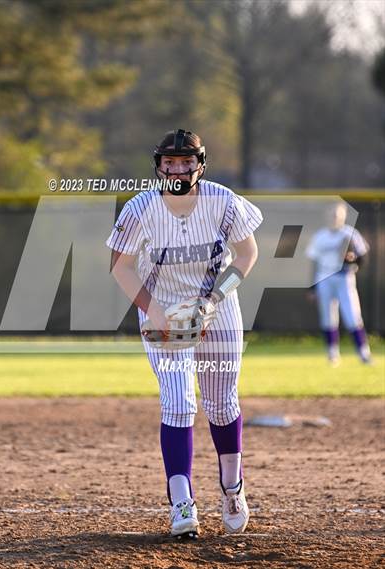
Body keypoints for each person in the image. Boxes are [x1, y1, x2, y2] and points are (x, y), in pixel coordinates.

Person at [106, 129, 263, 538]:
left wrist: (212, 301)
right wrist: (156, 312)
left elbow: (247, 254)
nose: (178, 169)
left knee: (221, 403)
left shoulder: (223, 201)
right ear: (158, 165)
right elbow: (121, 266)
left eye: (186, 161)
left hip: (217, 308)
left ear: (200, 164)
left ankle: (232, 487)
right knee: (178, 404)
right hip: (163, 309)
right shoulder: (141, 207)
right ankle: (182, 501)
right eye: (170, 162)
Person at [306, 202, 371, 366]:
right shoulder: (320, 236)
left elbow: (362, 258)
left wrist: (353, 260)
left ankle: (364, 353)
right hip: (324, 277)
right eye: (332, 213)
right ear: (327, 215)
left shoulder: (350, 233)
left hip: (344, 277)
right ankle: (332, 354)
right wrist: (312, 287)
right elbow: (313, 263)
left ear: (344, 215)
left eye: (338, 213)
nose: (335, 216)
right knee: (328, 318)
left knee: (352, 316)